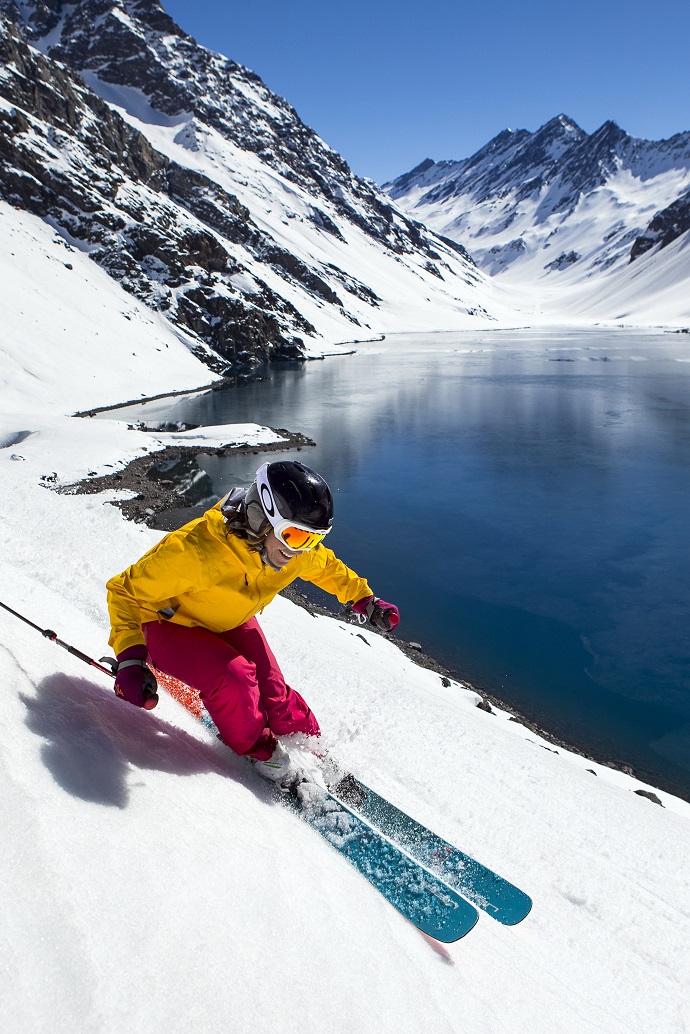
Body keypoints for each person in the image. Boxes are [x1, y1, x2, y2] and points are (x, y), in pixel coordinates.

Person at [106, 460, 400, 786]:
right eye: (293, 535)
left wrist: (364, 599)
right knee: (235, 679)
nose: (298, 549)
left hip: (226, 617)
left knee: (275, 694)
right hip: (168, 625)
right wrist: (130, 658)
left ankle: (310, 748)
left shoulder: (292, 548)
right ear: (262, 518)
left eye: (312, 538)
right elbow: (123, 593)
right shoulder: (196, 552)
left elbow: (325, 566)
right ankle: (261, 752)